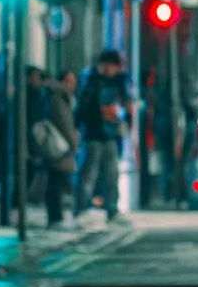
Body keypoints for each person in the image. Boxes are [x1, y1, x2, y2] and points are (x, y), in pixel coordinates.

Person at [72, 49, 131, 219]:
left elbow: (126, 106)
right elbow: (82, 109)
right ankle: (81, 208)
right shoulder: (91, 82)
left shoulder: (119, 83)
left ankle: (111, 208)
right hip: (94, 134)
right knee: (89, 173)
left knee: (112, 174)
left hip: (111, 134)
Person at [29, 69, 76, 228]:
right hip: (57, 145)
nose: (71, 85)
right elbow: (64, 123)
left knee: (55, 179)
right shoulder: (58, 98)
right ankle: (55, 217)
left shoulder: (58, 96)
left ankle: (56, 216)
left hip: (56, 144)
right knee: (54, 180)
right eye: (68, 81)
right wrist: (72, 142)